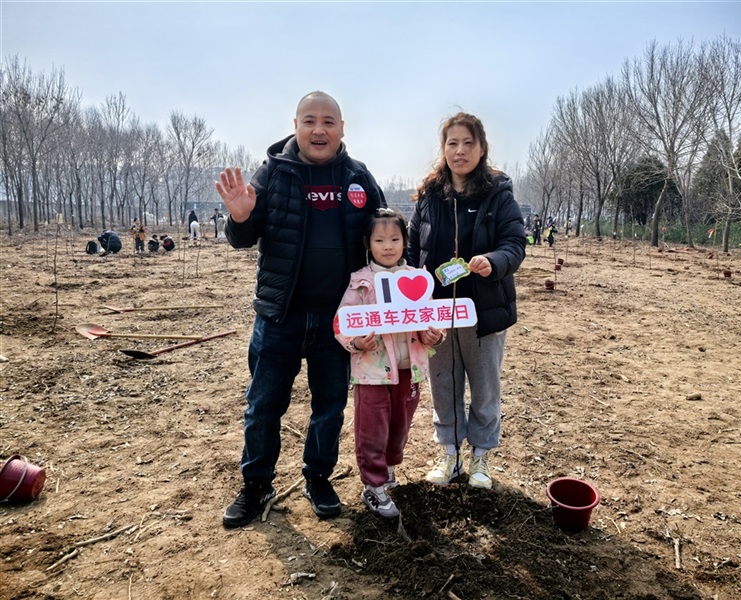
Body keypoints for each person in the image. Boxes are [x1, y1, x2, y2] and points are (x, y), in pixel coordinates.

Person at [214, 91, 387, 528]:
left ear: (342, 129)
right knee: (263, 406)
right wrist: (239, 217)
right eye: (310, 120)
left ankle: (318, 478)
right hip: (279, 317)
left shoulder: (358, 178)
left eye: (329, 121)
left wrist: (390, 305)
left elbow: (385, 242)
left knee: (329, 407)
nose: (319, 129)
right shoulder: (273, 174)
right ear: (295, 125)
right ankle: (256, 484)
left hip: (338, 321)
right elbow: (243, 237)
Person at [407, 112, 526, 490]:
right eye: (452, 143)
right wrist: (410, 296)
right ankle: (450, 454)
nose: (460, 151)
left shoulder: (498, 193)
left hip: (483, 311)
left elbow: (515, 244)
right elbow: (413, 252)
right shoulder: (429, 197)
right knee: (444, 384)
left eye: (468, 143)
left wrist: (493, 262)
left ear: (481, 148)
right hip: (438, 312)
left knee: (485, 385)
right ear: (443, 150)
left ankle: (481, 456)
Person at [334, 208, 445, 518]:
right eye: (379, 239)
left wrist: (434, 334)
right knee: (372, 428)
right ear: (368, 243)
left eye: (394, 238)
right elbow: (341, 322)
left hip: (408, 370)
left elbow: (430, 316)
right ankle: (373, 484)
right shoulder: (361, 282)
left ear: (405, 241)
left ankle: (389, 471)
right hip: (372, 372)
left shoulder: (417, 279)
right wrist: (355, 343)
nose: (387, 246)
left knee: (400, 426)